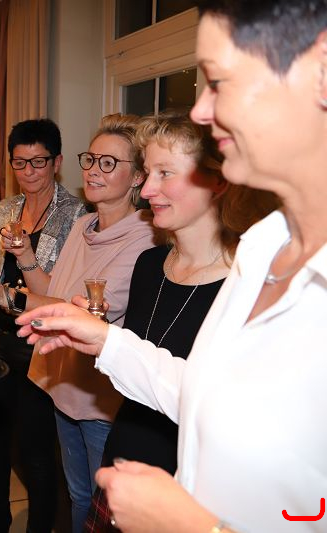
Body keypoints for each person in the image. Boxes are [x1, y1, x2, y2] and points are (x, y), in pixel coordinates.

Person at [15, 2, 327, 531]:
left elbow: (307, 510)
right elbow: (210, 398)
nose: (201, 110)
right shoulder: (262, 249)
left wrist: (192, 525)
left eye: (218, 81)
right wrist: (106, 340)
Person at [83, 111, 278, 531]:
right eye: (148, 173)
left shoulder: (249, 285)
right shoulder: (148, 263)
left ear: (217, 182)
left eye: (165, 173)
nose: (146, 190)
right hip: (122, 465)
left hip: (188, 495)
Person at [22, 114, 159, 533]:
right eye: (91, 159)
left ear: (138, 177)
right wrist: (24, 257)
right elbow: (54, 290)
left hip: (101, 396)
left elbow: (81, 314)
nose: (94, 171)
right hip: (65, 382)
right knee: (78, 494)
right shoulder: (84, 224)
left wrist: (7, 299)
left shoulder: (146, 238)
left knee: (104, 505)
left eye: (109, 163)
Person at [0, 118, 86, 533]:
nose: (29, 172)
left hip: (39, 342)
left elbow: (62, 291)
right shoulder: (7, 208)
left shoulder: (76, 214)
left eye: (38, 162)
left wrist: (26, 255)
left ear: (57, 162)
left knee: (35, 449)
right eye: (20, 162)